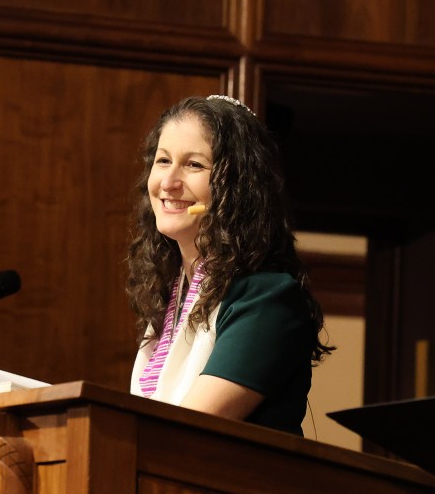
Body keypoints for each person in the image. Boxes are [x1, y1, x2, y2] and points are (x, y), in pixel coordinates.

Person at [126, 95, 332, 435]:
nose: (168, 182)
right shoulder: (171, 295)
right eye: (163, 161)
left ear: (237, 187)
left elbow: (185, 431)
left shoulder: (266, 298)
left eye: (194, 165)